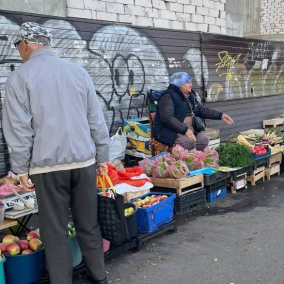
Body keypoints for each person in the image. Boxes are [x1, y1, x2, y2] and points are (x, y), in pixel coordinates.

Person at [3, 22, 109, 284]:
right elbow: (96, 119)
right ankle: (100, 277)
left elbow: (19, 129)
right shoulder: (78, 72)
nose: (18, 51)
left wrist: (20, 169)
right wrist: (103, 157)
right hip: (84, 161)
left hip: (47, 168)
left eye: (18, 46)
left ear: (26, 44)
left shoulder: (20, 77)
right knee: (88, 224)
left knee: (54, 231)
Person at [153, 72, 234, 151]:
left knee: (203, 140)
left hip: (188, 129)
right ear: (180, 84)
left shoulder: (190, 96)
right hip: (171, 132)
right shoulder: (168, 96)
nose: (191, 85)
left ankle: (195, 161)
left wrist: (220, 115)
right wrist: (185, 130)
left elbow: (201, 110)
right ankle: (183, 162)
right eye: (188, 82)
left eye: (191, 82)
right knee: (189, 143)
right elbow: (167, 118)